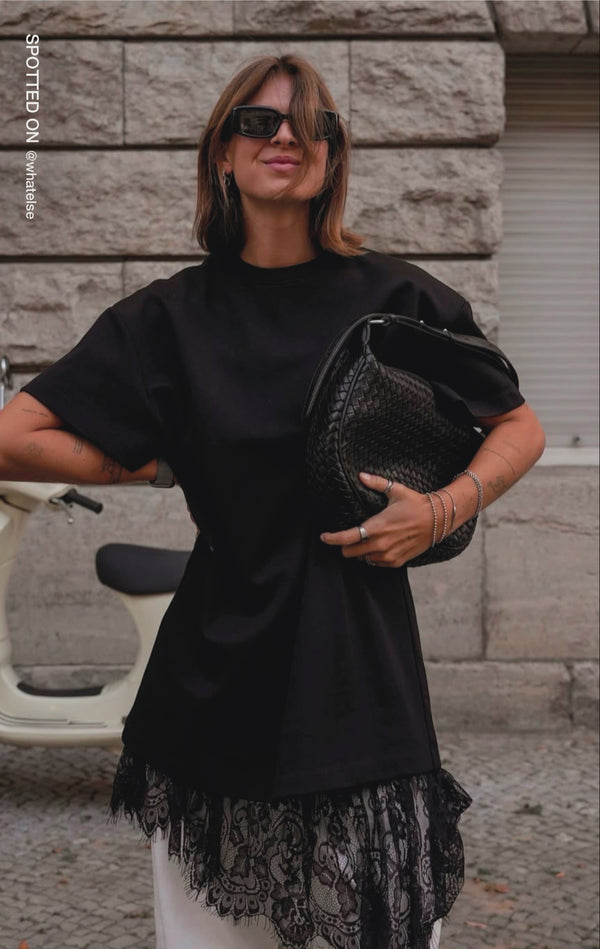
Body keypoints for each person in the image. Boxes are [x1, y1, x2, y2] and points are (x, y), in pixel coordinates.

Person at [0, 53, 545, 949]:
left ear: (332, 157)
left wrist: (444, 508)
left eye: (308, 124)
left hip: (361, 677)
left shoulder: (396, 298)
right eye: (256, 122)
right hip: (215, 685)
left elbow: (516, 423)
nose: (283, 136)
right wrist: (160, 464)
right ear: (223, 153)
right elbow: (15, 431)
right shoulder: (170, 318)